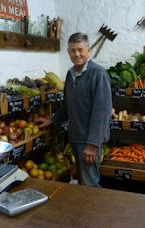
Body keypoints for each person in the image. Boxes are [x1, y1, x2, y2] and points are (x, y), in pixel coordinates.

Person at [37, 32, 112, 187]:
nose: (77, 54)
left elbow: (102, 112)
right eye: (73, 50)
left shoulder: (98, 74)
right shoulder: (70, 75)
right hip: (76, 138)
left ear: (88, 50)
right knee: (83, 182)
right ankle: (85, 210)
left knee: (89, 183)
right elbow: (69, 105)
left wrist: (92, 144)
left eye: (80, 49)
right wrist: (52, 119)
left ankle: (94, 211)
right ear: (68, 52)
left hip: (89, 141)